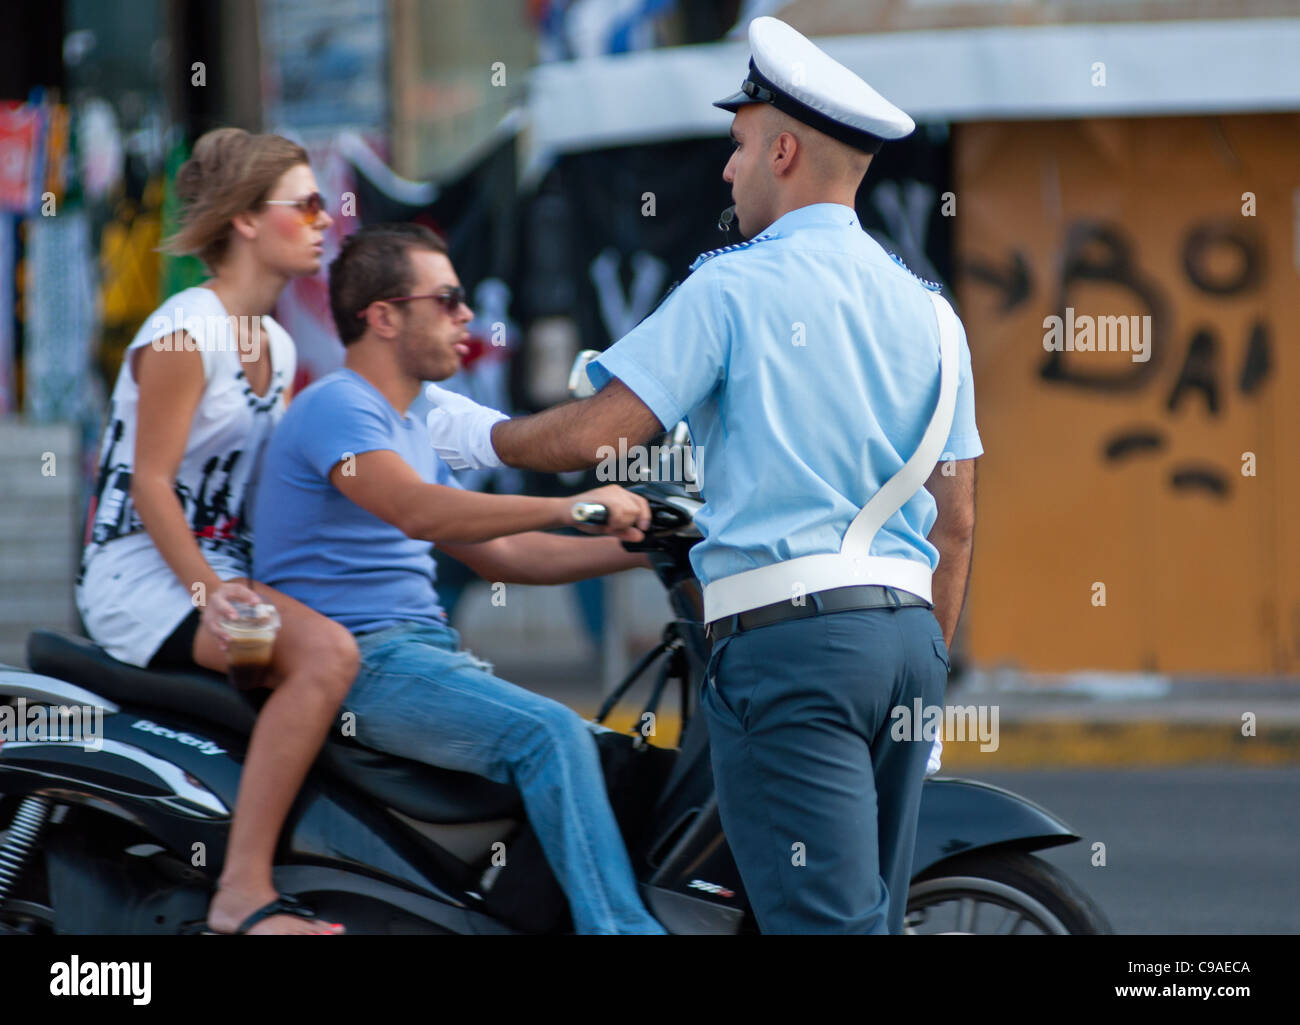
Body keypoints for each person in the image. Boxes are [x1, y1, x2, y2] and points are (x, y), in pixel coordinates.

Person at [424, 16, 982, 934]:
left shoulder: (733, 285)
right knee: (864, 919)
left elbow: (601, 432)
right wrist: (924, 670)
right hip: (909, 643)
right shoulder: (932, 313)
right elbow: (954, 522)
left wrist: (482, 433)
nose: (727, 170)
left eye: (738, 146)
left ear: (786, 150)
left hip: (792, 649)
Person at [250, 223, 666, 935]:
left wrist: (652, 548)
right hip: (366, 659)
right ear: (382, 316)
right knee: (552, 735)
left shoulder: (404, 426)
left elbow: (508, 556)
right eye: (445, 300)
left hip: (419, 654)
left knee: (604, 754)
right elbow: (415, 510)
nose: (467, 316)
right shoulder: (339, 405)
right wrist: (574, 502)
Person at [77, 128, 359, 935]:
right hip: (144, 576)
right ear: (243, 220)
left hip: (217, 568)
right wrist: (210, 598)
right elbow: (151, 483)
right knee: (326, 655)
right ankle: (241, 891)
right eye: (304, 205)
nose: (323, 221)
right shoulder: (184, 330)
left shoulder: (271, 339)